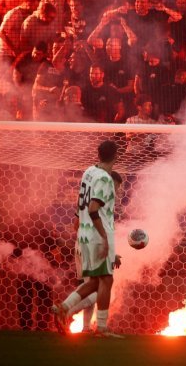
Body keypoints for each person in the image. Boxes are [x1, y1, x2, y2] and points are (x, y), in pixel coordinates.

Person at [52, 140, 123, 337]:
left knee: (94, 281)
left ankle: (64, 307)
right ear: (116, 156)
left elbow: (80, 203)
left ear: (99, 155)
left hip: (83, 234)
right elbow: (93, 209)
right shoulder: (105, 179)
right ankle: (101, 327)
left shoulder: (88, 172)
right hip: (97, 235)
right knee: (106, 280)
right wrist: (105, 238)